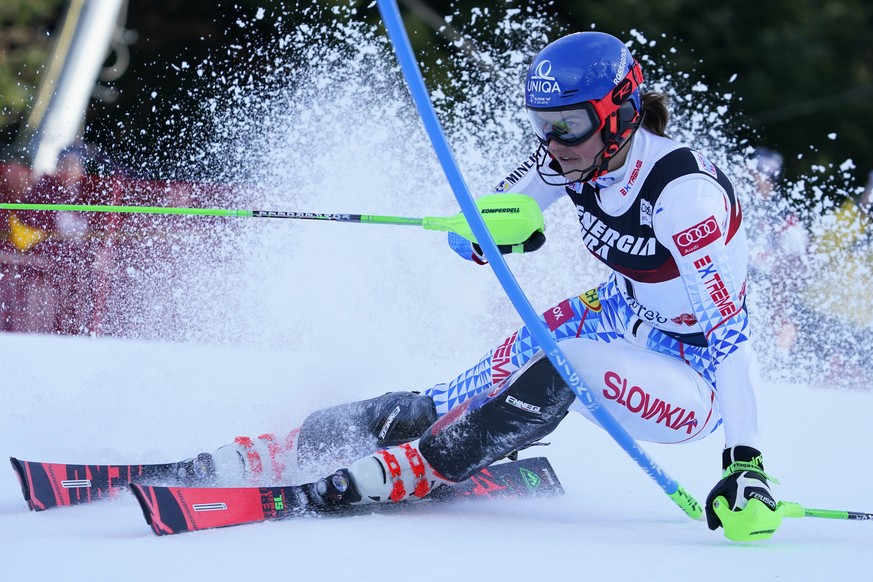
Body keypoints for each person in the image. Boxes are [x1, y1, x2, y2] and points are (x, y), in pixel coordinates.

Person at [197, 31, 777, 539]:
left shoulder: (683, 196)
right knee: (463, 388)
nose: (552, 143)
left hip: (697, 374)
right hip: (623, 312)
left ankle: (433, 463)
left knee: (564, 360)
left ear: (620, 112)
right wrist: (477, 232)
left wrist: (743, 462)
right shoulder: (573, 156)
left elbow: (731, 338)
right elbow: (503, 208)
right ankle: (320, 439)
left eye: (569, 125)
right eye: (541, 126)